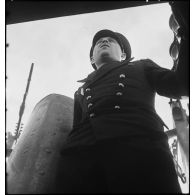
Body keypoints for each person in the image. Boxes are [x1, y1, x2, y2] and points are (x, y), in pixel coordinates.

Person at [55, 29, 188, 193]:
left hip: (139, 153)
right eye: (98, 42)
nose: (104, 41)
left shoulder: (141, 66)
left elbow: (181, 85)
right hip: (81, 160)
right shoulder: (80, 90)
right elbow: (77, 127)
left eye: (111, 40)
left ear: (123, 55)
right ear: (92, 58)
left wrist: (187, 32)